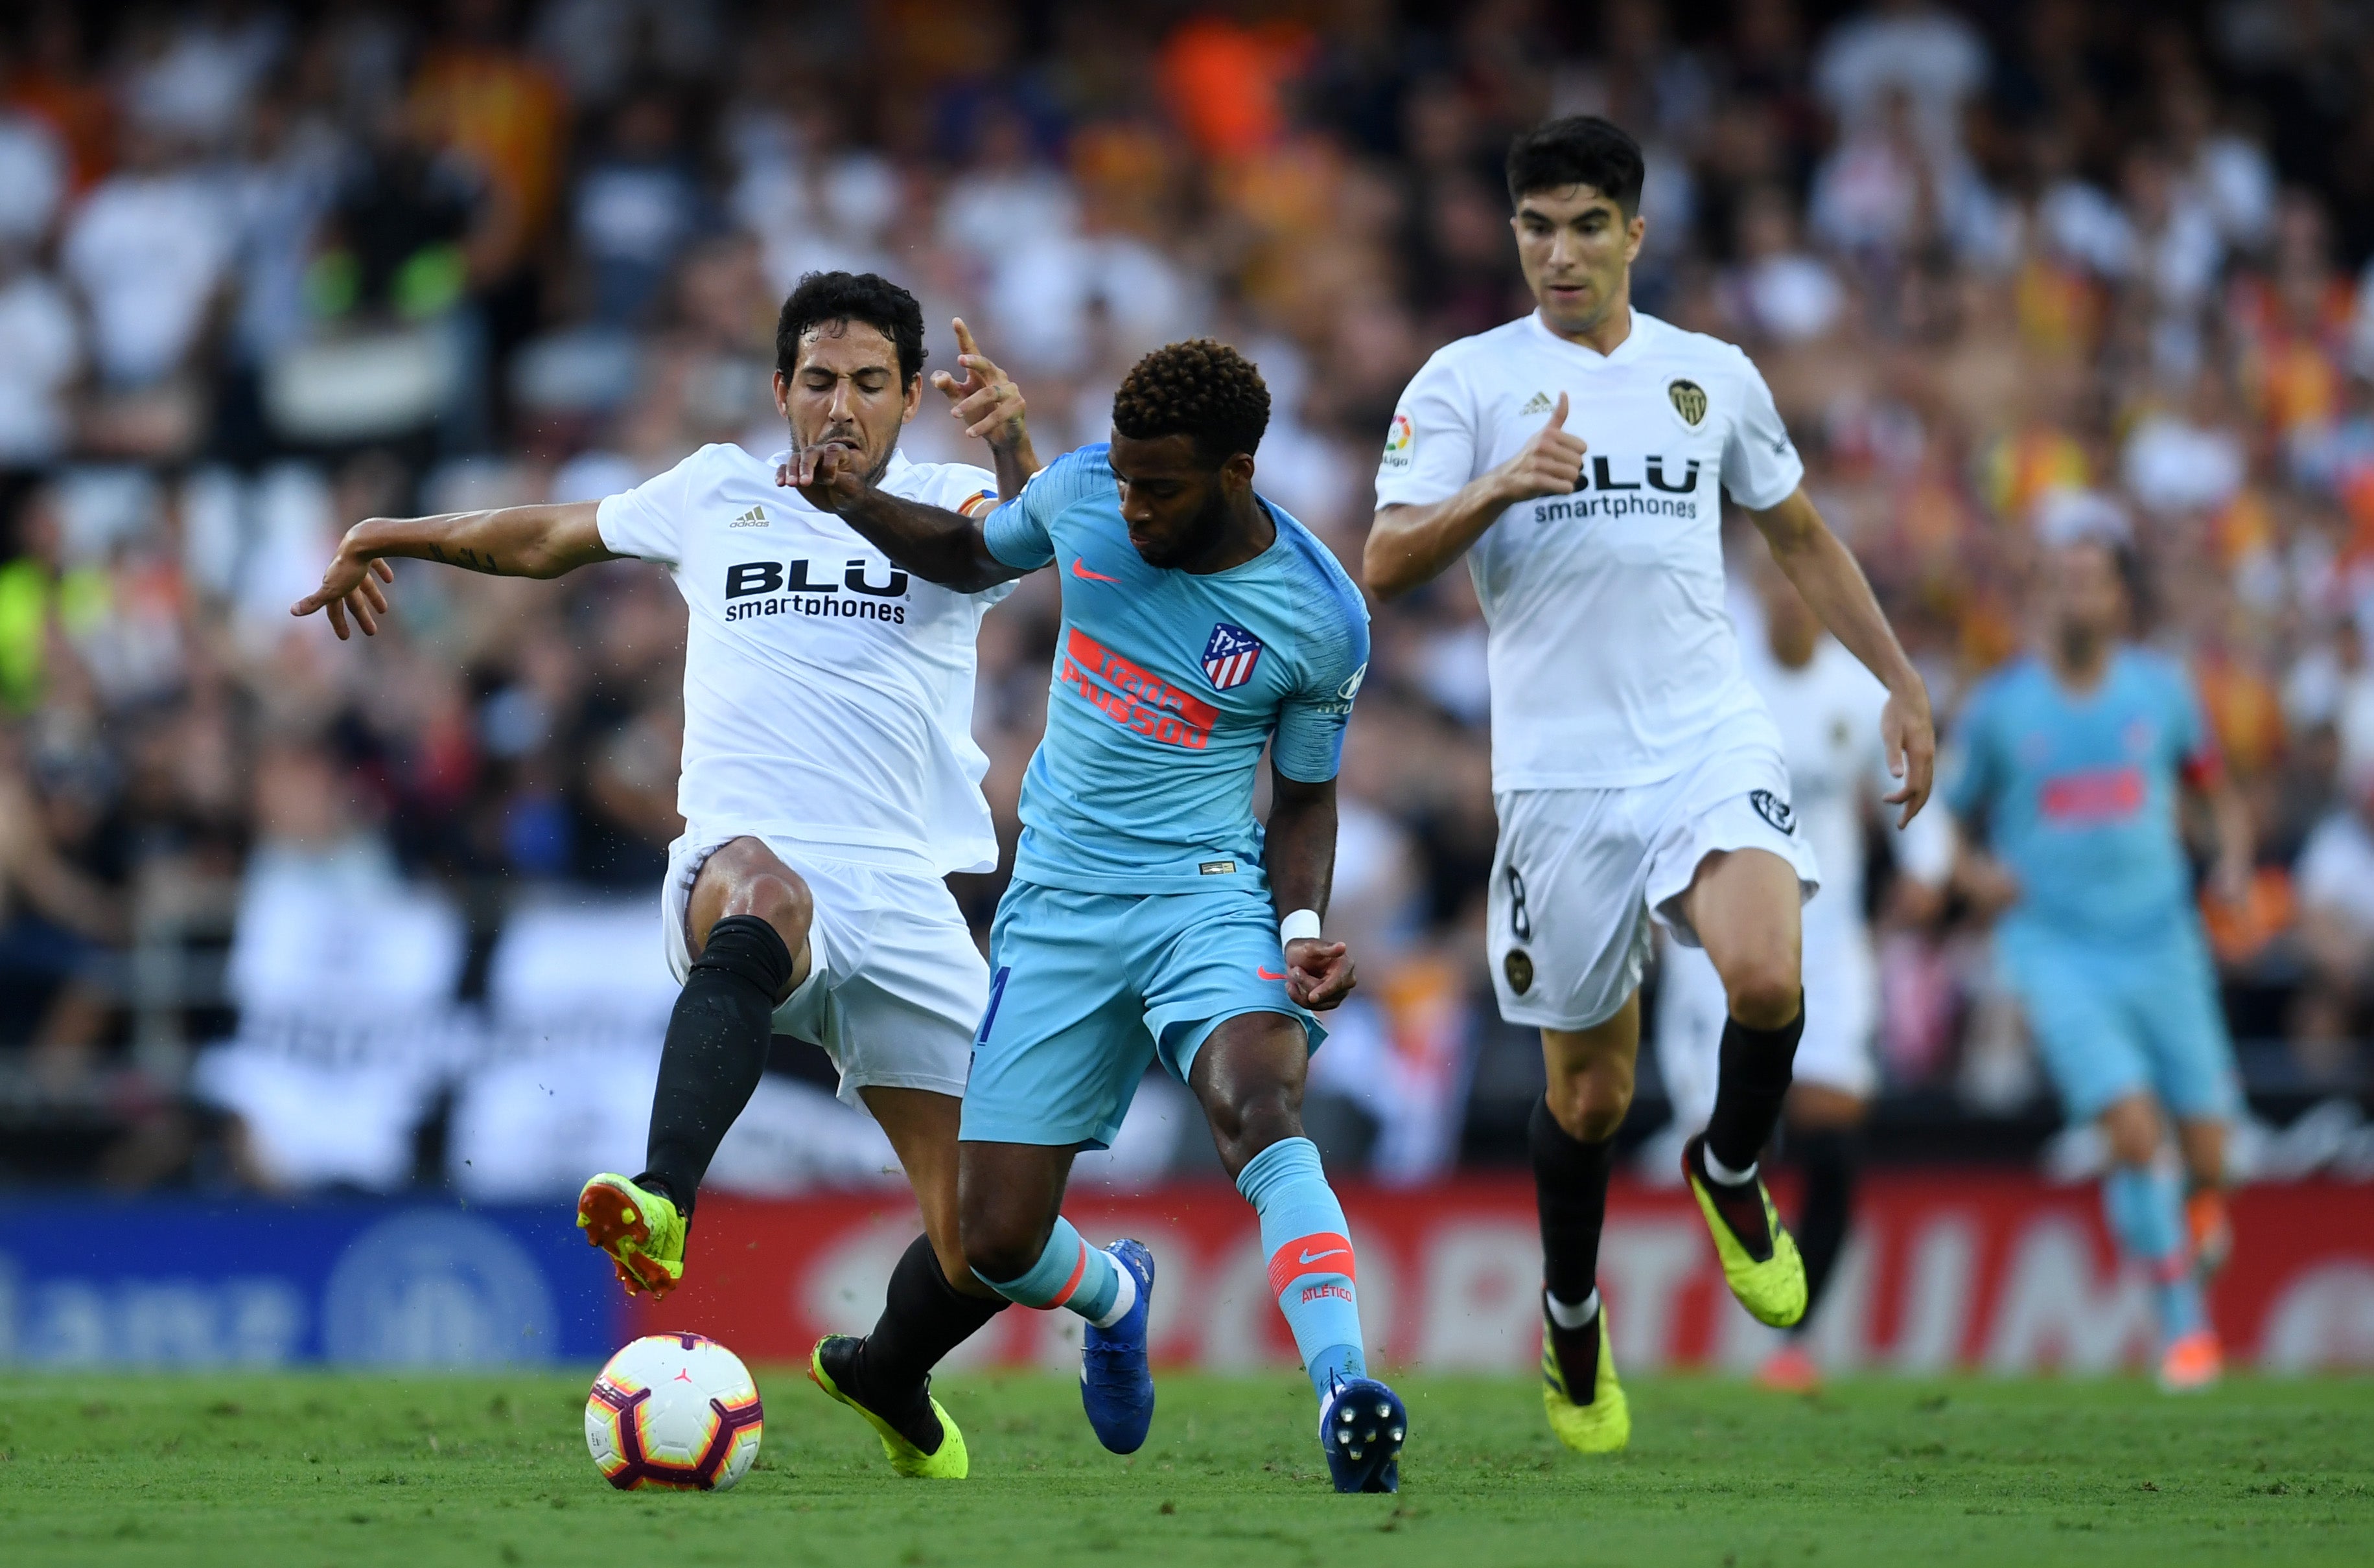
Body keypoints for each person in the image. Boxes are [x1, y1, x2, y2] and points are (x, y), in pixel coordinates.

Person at [293, 270, 1037, 1478]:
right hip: (746, 853)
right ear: (780, 389)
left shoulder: (953, 499)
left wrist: (1012, 441)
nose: (837, 405)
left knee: (996, 1238)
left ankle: (891, 1373)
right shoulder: (718, 492)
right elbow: (543, 538)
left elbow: (1023, 538)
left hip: (904, 893)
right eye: (815, 381)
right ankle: (663, 1198)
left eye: (865, 384)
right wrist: (398, 534)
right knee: (762, 893)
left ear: (910, 399)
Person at [1362, 115, 1937, 1455]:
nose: (1555, 255)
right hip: (1558, 783)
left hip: (1702, 738)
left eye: (1581, 226)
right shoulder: (1463, 380)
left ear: (1633, 231)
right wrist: (1500, 486)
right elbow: (1387, 559)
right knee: (1586, 1101)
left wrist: (1898, 681)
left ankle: (1728, 1169)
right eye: (1532, 228)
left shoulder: (1710, 376)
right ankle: (1570, 1313)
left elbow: (1794, 529)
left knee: (1769, 979)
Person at [791, 338, 1407, 1493]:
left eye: (1158, 486)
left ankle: (1345, 1389)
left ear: (1237, 472)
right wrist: (858, 501)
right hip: (1059, 909)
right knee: (996, 1242)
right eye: (1121, 477)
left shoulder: (1321, 617)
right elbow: (975, 552)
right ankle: (1115, 1296)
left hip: (1205, 898)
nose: (1130, 504)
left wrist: (1301, 923)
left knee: (1259, 1103)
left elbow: (1307, 794)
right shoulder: (1084, 493)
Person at [1942, 509, 2250, 1392]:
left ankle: (2198, 1205)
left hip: (2163, 940)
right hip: (2056, 948)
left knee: (2209, 1151)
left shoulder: (2162, 692)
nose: (2075, 591)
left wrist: (2228, 863)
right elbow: (1946, 823)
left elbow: (2214, 797)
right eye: (2061, 577)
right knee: (2129, 1128)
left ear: (2119, 596)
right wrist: (1976, 874)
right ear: (2043, 593)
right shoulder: (2002, 709)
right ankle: (2185, 1331)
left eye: (2091, 577)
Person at [1653, 551, 1953, 1393]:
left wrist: (1927, 860)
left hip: (1826, 944)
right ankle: (1744, 1248)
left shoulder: (1858, 693)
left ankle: (1796, 1332)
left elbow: (1917, 785)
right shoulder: (1716, 682)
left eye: (1805, 578)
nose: (1792, 595)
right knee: (1724, 1140)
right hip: (1721, 948)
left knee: (1832, 1128)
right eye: (1776, 578)